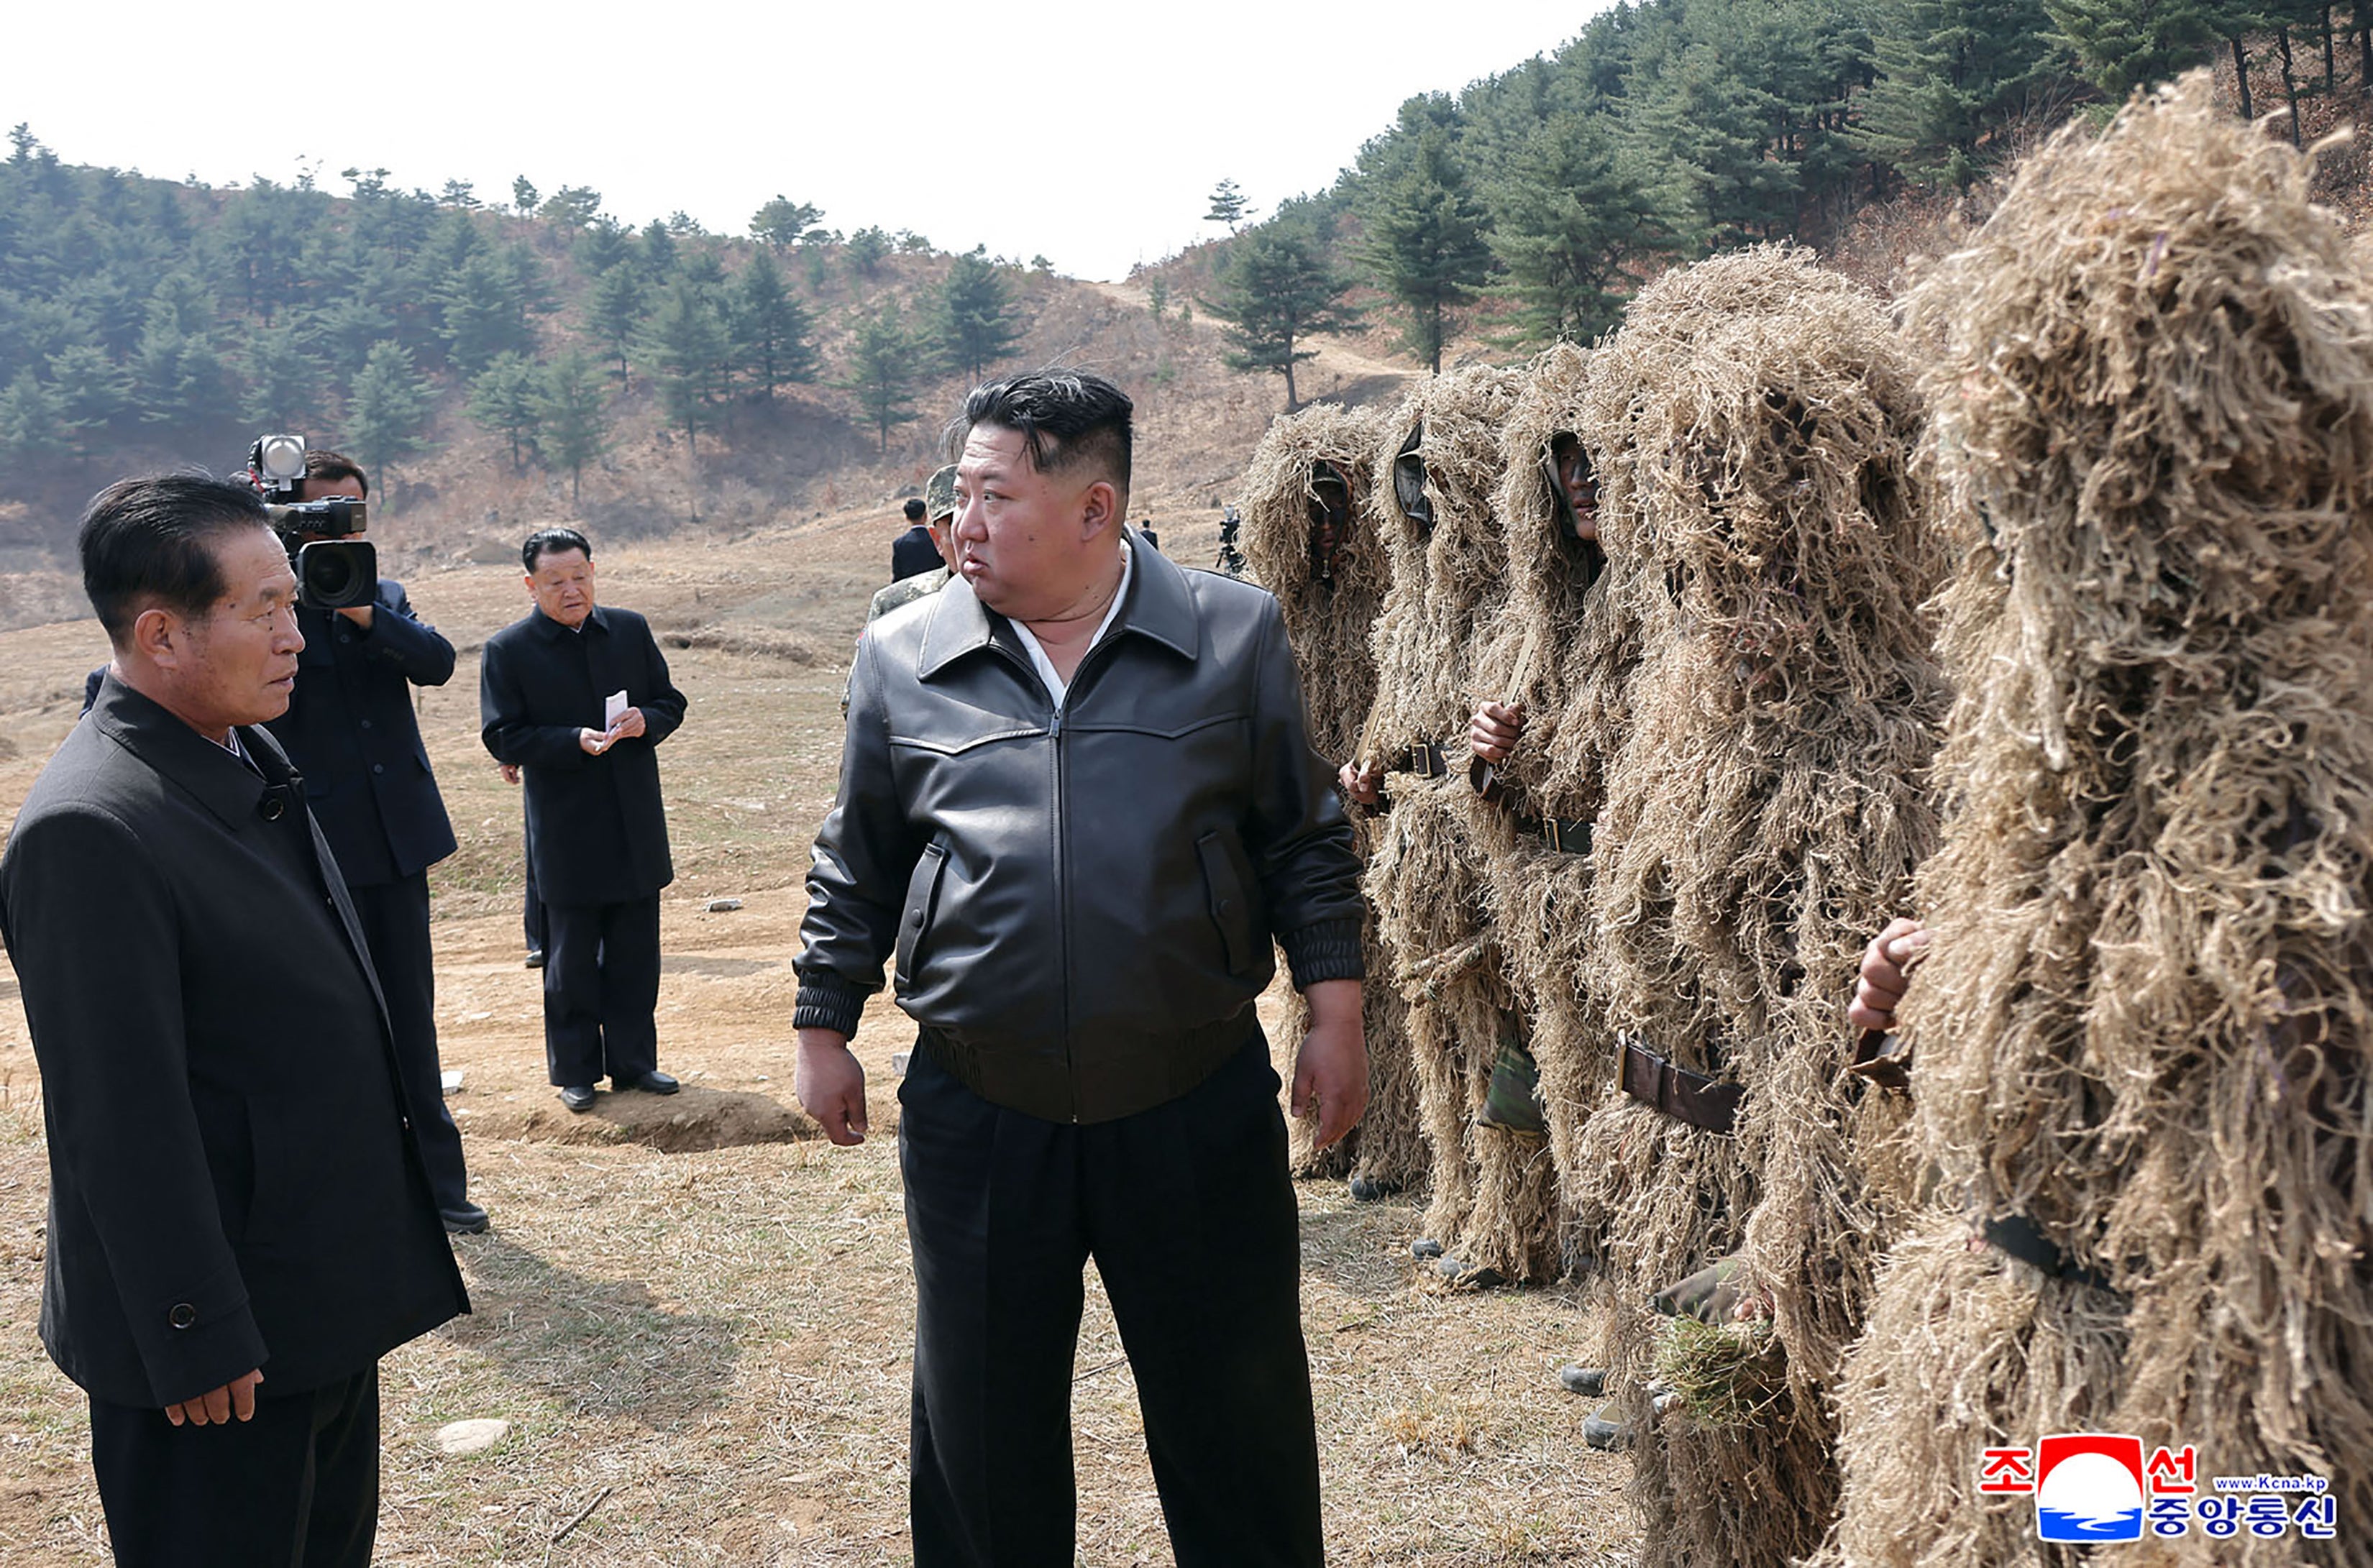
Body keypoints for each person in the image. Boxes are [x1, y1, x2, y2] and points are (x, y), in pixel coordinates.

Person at [795, 371, 1367, 1567]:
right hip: (981, 1110)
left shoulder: (1230, 635)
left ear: (1095, 510)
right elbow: (859, 853)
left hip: (1193, 1101)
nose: (965, 525)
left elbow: (1303, 842)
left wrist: (1335, 1008)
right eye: (959, 496)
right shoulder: (903, 656)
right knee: (981, 1442)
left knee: (1238, 1430)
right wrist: (822, 1023)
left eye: (994, 497)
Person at [0, 474, 467, 1567]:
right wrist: (192, 1329)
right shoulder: (91, 828)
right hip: (218, 1356)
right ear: (160, 633)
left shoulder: (233, 746)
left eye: (290, 600)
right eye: (259, 608)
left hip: (307, 1306)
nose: (291, 631)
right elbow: (118, 1118)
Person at [260, 449, 484, 1234]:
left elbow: (438, 663)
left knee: (411, 1020)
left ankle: (438, 1186)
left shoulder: (380, 595)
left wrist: (360, 611)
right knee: (329, 1028)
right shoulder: (266, 611)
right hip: (312, 850)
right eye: (319, 512)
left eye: (350, 511)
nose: (336, 526)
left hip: (395, 845)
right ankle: (353, 1194)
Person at [480, 528, 689, 1113]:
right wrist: (572, 739)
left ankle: (634, 1062)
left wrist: (648, 719)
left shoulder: (628, 629)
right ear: (530, 585)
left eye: (580, 576)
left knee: (634, 952)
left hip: (633, 816)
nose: (572, 590)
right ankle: (576, 1071)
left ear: (594, 571)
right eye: (556, 581)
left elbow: (670, 701)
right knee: (570, 960)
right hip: (566, 824)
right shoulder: (509, 650)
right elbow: (503, 733)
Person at [890, 494, 939, 582]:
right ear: (926, 516)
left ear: (907, 518)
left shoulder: (899, 544)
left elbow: (898, 575)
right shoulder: (936, 539)